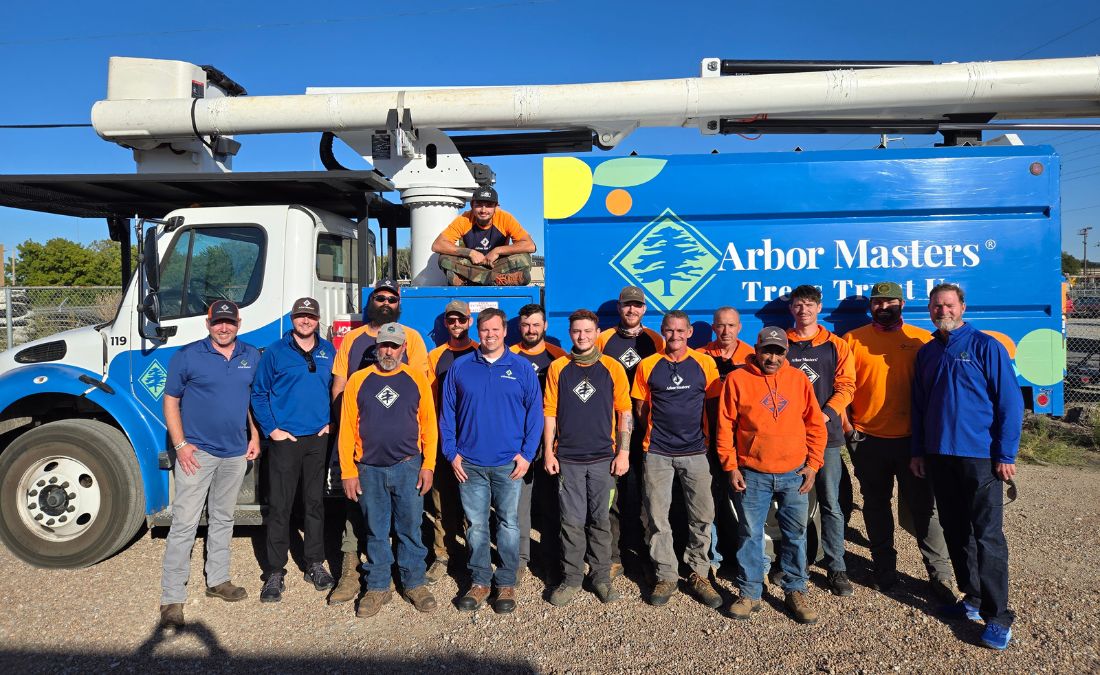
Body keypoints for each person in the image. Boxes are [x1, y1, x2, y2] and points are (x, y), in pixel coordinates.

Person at [910, 283, 1023, 651]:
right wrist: (919, 451)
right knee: (956, 530)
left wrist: (1006, 455)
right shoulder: (927, 353)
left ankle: (999, 616)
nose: (942, 311)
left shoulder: (985, 347)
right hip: (939, 456)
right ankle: (971, 598)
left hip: (979, 458)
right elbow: (920, 408)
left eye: (948, 304)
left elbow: (1010, 404)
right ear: (929, 310)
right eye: (936, 305)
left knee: (988, 536)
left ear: (962, 307)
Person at [843, 281, 956, 603]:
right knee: (876, 507)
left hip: (912, 443)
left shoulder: (922, 340)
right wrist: (849, 430)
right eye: (877, 303)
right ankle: (884, 570)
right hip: (868, 440)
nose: (883, 307)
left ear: (902, 304)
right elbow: (844, 388)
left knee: (924, 509)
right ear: (870, 307)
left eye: (890, 301)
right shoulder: (853, 340)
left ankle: (941, 576)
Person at [158, 301, 261, 630]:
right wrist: (181, 444)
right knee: (185, 523)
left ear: (239, 323)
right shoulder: (188, 356)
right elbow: (171, 400)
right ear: (208, 323)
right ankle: (172, 597)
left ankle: (218, 580)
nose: (224, 328)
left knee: (223, 518)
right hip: (197, 453)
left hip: (234, 453)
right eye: (218, 323)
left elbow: (251, 401)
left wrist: (255, 436)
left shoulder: (251, 355)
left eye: (229, 322)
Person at [328, 279, 431, 605]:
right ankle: (377, 587)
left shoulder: (416, 378)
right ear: (377, 348)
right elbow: (346, 428)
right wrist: (347, 469)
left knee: (410, 528)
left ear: (404, 348)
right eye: (384, 346)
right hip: (368, 468)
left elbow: (428, 422)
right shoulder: (358, 380)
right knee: (374, 531)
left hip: (407, 465)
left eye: (394, 346)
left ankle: (414, 582)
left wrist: (428, 464)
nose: (388, 351)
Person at [717, 327, 826, 625]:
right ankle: (750, 592)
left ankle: (795, 589)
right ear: (757, 349)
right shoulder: (738, 379)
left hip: (794, 474)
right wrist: (731, 466)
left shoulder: (798, 379)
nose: (773, 357)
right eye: (767, 350)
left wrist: (813, 464)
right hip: (752, 474)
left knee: (795, 534)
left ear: (786, 353)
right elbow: (725, 426)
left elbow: (815, 424)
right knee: (750, 535)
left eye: (779, 352)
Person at [440, 308, 543, 614]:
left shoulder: (522, 368)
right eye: (485, 330)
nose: (490, 335)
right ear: (477, 331)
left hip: (508, 465)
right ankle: (481, 580)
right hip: (469, 463)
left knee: (509, 523)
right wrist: (451, 453)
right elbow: (448, 415)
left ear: (504, 331)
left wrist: (527, 455)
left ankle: (507, 581)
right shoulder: (460, 368)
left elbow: (535, 415)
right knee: (475, 526)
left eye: (496, 330)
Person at [632, 310, 722, 609]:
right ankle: (666, 574)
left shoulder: (705, 363)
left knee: (702, 516)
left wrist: (707, 442)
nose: (675, 336)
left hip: (696, 452)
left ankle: (698, 572)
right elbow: (641, 408)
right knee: (658, 517)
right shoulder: (648, 365)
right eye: (669, 331)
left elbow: (712, 406)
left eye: (681, 331)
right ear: (662, 332)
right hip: (657, 452)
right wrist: (655, 436)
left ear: (690, 333)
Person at [543, 309, 632, 606]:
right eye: (576, 331)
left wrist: (624, 451)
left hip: (603, 460)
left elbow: (625, 413)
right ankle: (570, 579)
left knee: (601, 520)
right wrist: (547, 450)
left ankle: (601, 577)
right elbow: (550, 413)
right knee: (570, 521)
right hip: (568, 458)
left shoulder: (613, 368)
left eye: (587, 331)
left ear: (597, 334)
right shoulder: (558, 368)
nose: (582, 336)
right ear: (570, 334)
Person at [251, 297, 336, 603]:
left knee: (314, 503)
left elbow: (336, 389)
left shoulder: (329, 350)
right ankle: (275, 571)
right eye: (300, 316)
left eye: (311, 316)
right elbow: (259, 394)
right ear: (292, 319)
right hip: (285, 440)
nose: (305, 321)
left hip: (318, 438)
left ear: (317, 319)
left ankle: (314, 563)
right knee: (280, 507)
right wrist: (272, 430)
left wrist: (330, 423)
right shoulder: (275, 352)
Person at [784, 285, 855, 596]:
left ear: (819, 307)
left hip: (826, 436)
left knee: (831, 502)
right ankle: (791, 564)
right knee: (791, 504)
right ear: (792, 309)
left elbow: (847, 386)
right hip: (788, 438)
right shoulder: (781, 343)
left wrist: (825, 414)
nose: (804, 310)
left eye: (809, 304)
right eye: (798, 305)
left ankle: (836, 566)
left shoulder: (835, 345)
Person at [597, 285, 665, 578]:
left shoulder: (656, 340)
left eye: (637, 306)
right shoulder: (603, 339)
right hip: (611, 429)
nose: (632, 310)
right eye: (627, 305)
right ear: (620, 308)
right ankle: (614, 555)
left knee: (648, 495)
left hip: (648, 429)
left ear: (644, 309)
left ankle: (646, 554)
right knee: (613, 494)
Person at [509, 303, 567, 581]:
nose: (530, 330)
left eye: (535, 324)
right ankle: (520, 559)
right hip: (519, 442)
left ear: (545, 326)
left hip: (550, 443)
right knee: (520, 504)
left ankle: (551, 557)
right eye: (525, 325)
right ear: (519, 328)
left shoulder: (558, 358)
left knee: (551, 503)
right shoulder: (509, 357)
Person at [423, 299, 479, 584]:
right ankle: (442, 553)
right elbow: (429, 402)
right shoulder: (436, 356)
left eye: (461, 320)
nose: (456, 325)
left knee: (473, 502)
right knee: (441, 501)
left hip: (474, 440)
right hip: (444, 438)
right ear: (445, 324)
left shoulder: (481, 353)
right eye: (451, 320)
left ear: (470, 322)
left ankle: (474, 555)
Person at [698, 306, 754, 577]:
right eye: (721, 325)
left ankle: (750, 561)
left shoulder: (753, 357)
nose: (726, 331)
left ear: (740, 327)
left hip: (741, 444)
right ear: (713, 327)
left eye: (731, 325)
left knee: (745, 504)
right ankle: (714, 559)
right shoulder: (698, 357)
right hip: (706, 441)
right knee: (709, 502)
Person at [431, 186, 536, 286]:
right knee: (444, 258)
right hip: (471, 264)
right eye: (479, 205)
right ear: (472, 205)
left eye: (489, 205)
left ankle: (471, 281)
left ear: (496, 207)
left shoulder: (505, 218)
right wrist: (470, 253)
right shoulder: (464, 219)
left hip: (496, 264)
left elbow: (530, 245)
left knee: (524, 257)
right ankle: (497, 279)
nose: (483, 210)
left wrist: (498, 251)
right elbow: (437, 245)